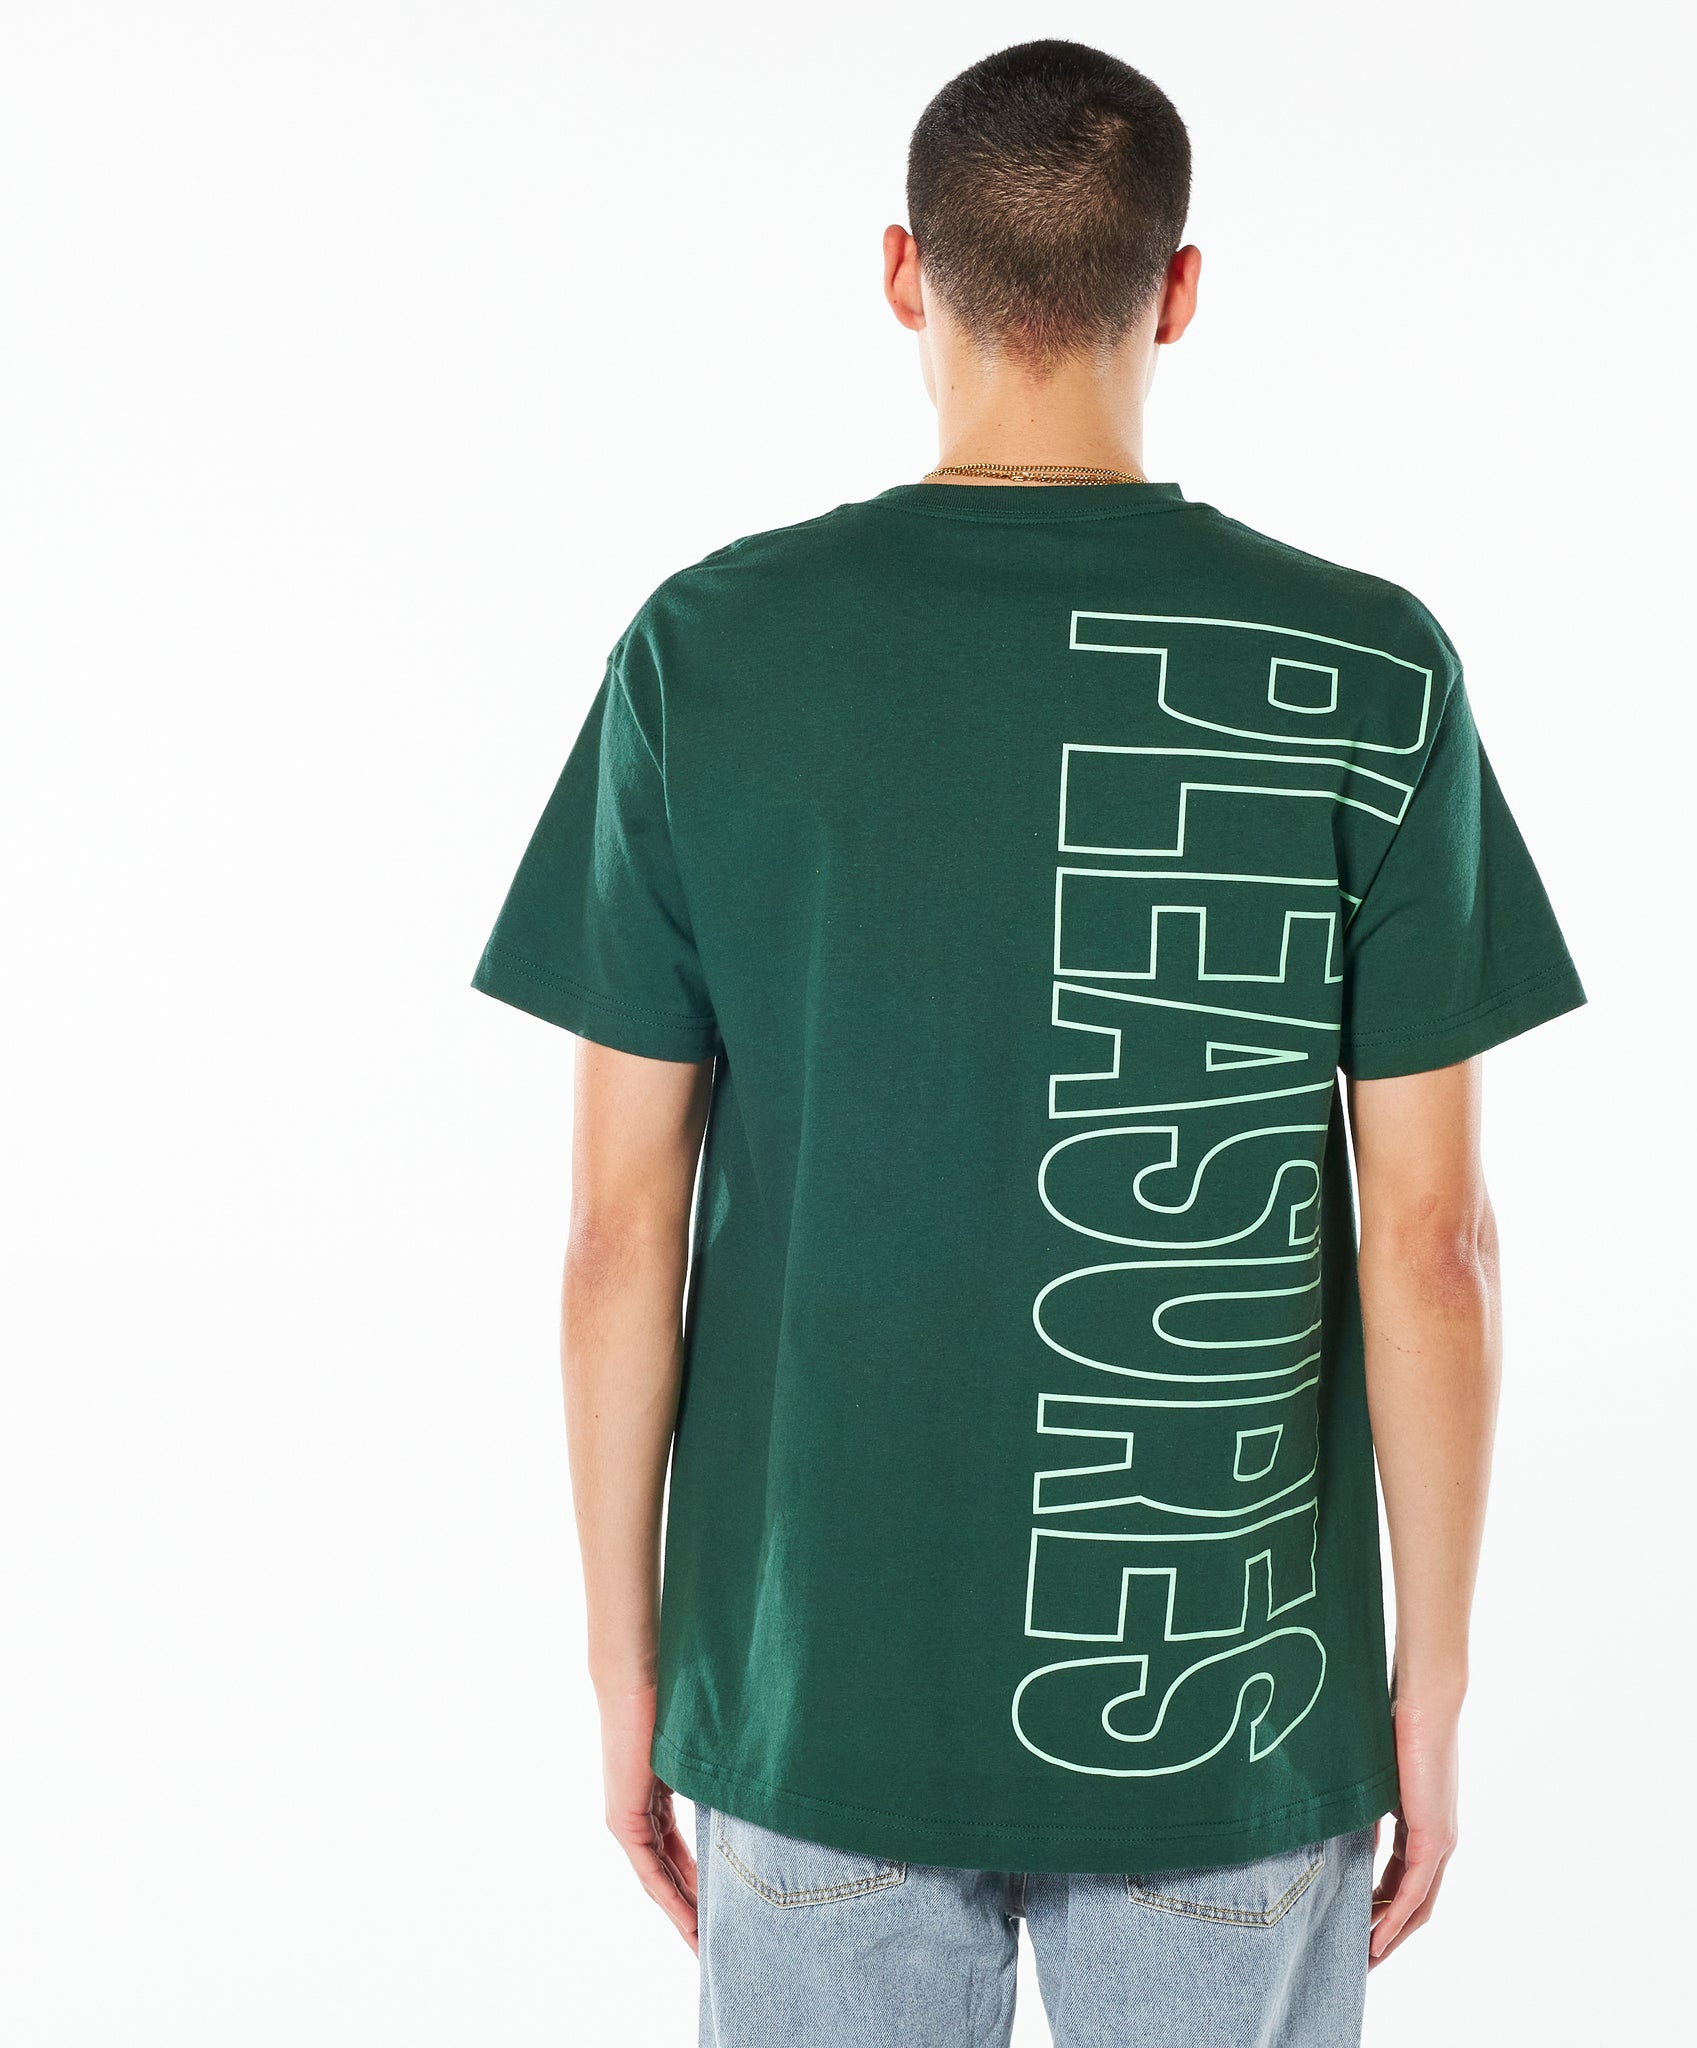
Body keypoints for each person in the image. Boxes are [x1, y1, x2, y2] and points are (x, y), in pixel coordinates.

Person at [473, 37, 1583, 2046]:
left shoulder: (708, 652)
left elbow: (618, 1234)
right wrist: (1425, 1691)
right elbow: (1432, 1243)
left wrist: (628, 1672)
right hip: (1228, 1713)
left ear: (905, 272)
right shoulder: (1368, 667)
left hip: (815, 1698)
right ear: (1179, 289)